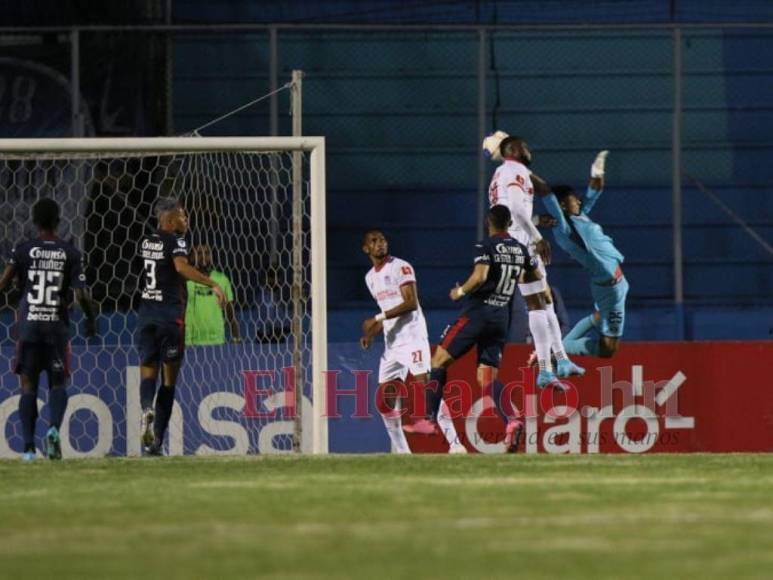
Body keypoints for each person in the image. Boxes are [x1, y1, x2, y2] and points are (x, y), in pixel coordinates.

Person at [410, 205, 558, 453]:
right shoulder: (521, 249)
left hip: (477, 314)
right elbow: (533, 282)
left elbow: (480, 276)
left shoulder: (485, 246)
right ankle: (511, 420)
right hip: (502, 318)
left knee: (438, 361)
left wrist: (459, 291)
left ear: (489, 222)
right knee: (486, 377)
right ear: (510, 223)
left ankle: (428, 419)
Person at [0, 198, 96, 461]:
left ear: (34, 221)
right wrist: (90, 318)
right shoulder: (70, 252)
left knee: (28, 386)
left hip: (29, 325)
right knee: (58, 383)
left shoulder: (23, 250)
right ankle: (53, 429)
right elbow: (81, 294)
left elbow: (3, 284)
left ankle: (29, 449)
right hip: (57, 328)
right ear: (58, 221)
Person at [488, 134, 584, 381]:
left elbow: (509, 212)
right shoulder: (516, 171)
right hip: (520, 243)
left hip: (511, 240)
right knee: (536, 303)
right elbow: (518, 209)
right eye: (525, 146)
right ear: (514, 149)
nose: (530, 150)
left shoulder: (500, 174)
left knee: (545, 300)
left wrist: (537, 221)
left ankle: (560, 359)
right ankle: (545, 369)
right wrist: (537, 236)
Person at [360, 229, 466, 454]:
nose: (380, 244)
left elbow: (410, 303)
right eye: (374, 241)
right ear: (366, 249)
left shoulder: (400, 266)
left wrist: (377, 318)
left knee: (426, 390)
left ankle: (456, 445)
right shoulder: (370, 278)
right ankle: (402, 453)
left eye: (383, 239)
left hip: (412, 338)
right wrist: (370, 334)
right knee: (385, 401)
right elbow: (386, 310)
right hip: (392, 345)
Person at [137, 198, 226, 456]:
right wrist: (212, 283)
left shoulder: (145, 242)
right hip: (170, 318)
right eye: (182, 216)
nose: (186, 220)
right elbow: (179, 266)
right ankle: (156, 444)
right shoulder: (177, 242)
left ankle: (146, 409)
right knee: (168, 382)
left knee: (147, 373)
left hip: (145, 317)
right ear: (168, 219)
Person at [540, 151, 629, 358]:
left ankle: (561, 347)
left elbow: (593, 192)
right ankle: (560, 349)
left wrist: (597, 172)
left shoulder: (579, 216)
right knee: (608, 350)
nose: (579, 202)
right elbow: (547, 195)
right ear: (561, 204)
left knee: (605, 335)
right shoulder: (563, 227)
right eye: (573, 200)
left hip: (617, 283)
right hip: (609, 289)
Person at [185, 244, 241, 345]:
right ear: (192, 256)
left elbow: (230, 312)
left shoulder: (221, 279)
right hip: (190, 340)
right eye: (198, 253)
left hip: (216, 339)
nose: (203, 256)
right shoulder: (186, 280)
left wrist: (236, 336)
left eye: (206, 253)